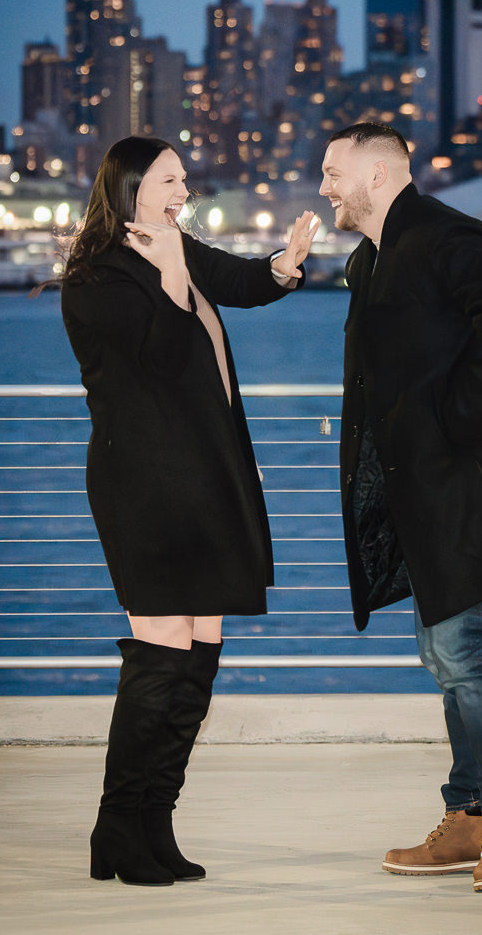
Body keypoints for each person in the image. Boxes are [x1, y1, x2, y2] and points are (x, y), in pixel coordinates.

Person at [61, 135, 319, 886]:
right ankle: (115, 827)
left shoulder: (176, 248)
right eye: (171, 178)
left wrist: (281, 266)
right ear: (133, 186)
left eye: (185, 179)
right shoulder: (96, 276)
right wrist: (174, 280)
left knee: (201, 645)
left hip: (206, 475)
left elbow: (239, 283)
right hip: (145, 483)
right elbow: (162, 359)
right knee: (163, 646)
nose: (185, 189)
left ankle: (154, 822)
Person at [320, 122, 482, 893]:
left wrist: (460, 418)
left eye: (333, 173)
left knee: (463, 650)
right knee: (444, 655)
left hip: (470, 484)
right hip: (424, 489)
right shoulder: (375, 258)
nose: (324, 187)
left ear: (380, 173)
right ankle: (465, 819)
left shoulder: (447, 233)